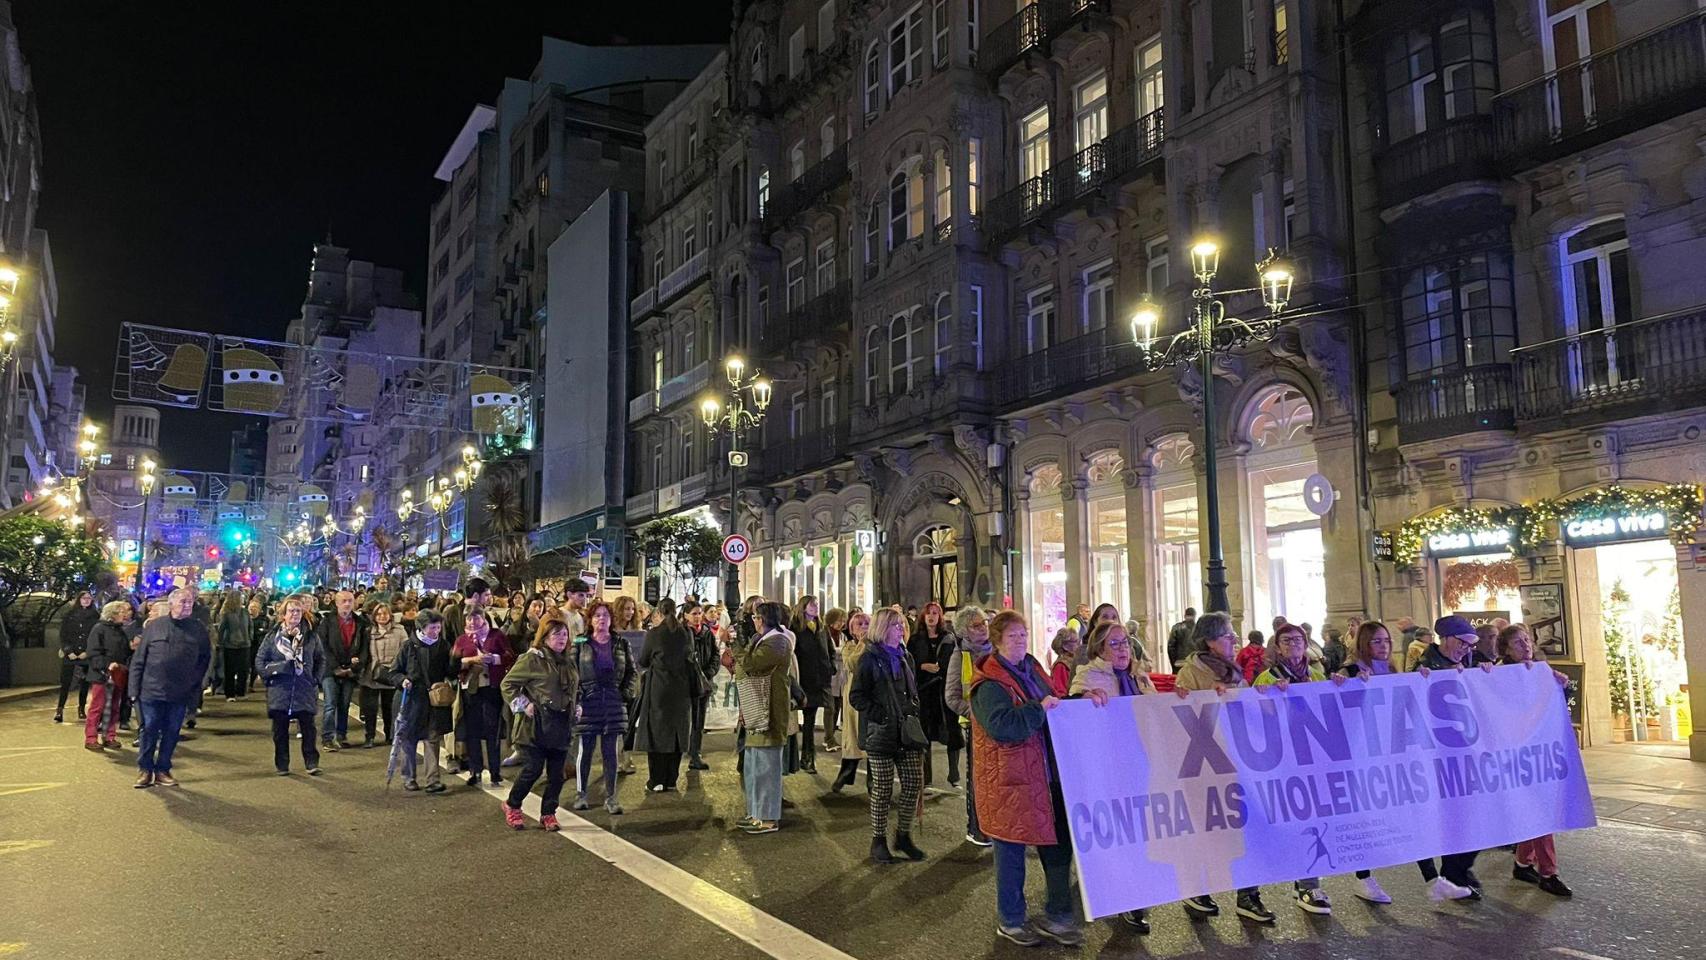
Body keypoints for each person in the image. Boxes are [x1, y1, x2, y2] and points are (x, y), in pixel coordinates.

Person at [969, 609, 1082, 947]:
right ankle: (1011, 919)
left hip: (1047, 773)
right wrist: (1039, 709)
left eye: (1024, 634)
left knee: (1058, 847)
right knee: (1011, 854)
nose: (1020, 640)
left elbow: (1054, 702)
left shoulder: (1032, 667)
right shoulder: (989, 683)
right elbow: (1002, 726)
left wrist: (1079, 701)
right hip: (1009, 779)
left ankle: (1059, 915)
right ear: (998, 640)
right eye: (1013, 636)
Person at [1173, 612, 1277, 923]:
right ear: (1209, 641)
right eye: (1226, 635)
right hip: (1208, 764)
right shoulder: (1191, 673)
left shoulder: (1234, 671)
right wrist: (1206, 698)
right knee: (1210, 827)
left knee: (1245, 829)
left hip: (1237, 761)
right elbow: (1184, 715)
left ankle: (1248, 894)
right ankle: (1198, 888)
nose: (1234, 639)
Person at [1070, 618, 1156, 931]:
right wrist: (1083, 700)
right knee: (1117, 834)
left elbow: (1156, 712)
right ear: (1100, 649)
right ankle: (1120, 897)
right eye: (1115, 644)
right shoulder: (1089, 676)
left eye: (1126, 642)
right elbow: (1075, 713)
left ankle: (1134, 898)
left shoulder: (1139, 676)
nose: (1123, 649)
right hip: (1110, 770)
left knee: (1139, 834)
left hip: (1140, 766)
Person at [1252, 622, 1338, 915]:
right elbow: (1255, 720)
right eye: (1286, 640)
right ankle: (1252, 891)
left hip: (1311, 760)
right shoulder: (1267, 677)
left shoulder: (1316, 676)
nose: (1294, 644)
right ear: (1277, 648)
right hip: (1282, 761)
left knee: (1309, 821)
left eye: (1298, 639)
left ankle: (1308, 885)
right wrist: (1265, 697)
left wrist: (1339, 687)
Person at [1413, 615, 1495, 898]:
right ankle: (1453, 873)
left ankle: (1457, 869)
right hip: (1443, 756)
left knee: (1480, 814)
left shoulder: (1473, 661)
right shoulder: (1424, 667)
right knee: (1456, 817)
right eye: (1463, 643)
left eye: (1472, 644)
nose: (1468, 649)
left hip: (1471, 752)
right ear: (1446, 639)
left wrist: (1485, 672)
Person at [1496, 622, 1574, 897]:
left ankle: (1522, 862)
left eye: (1527, 640)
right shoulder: (1501, 674)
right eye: (1518, 642)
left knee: (1536, 809)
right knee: (1541, 812)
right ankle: (1548, 872)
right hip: (1517, 754)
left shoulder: (1539, 670)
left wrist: (1562, 685)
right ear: (1506, 649)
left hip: (1539, 751)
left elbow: (1555, 706)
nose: (1526, 645)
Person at [851, 607, 928, 864]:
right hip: (881, 733)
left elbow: (911, 689)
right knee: (882, 789)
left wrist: (914, 713)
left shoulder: (905, 656)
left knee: (912, 784)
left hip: (906, 732)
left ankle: (903, 835)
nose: (901, 629)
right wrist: (880, 715)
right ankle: (878, 840)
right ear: (884, 628)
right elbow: (857, 696)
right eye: (896, 625)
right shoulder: (870, 658)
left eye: (902, 625)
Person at [500, 616, 579, 831]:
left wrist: (576, 706)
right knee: (532, 769)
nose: (562, 639)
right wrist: (523, 703)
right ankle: (512, 804)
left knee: (557, 774)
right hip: (535, 726)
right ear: (544, 637)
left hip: (561, 724)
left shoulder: (567, 661)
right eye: (556, 635)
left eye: (564, 634)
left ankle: (548, 813)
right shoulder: (532, 659)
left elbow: (573, 688)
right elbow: (508, 684)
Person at [129, 588, 212, 788]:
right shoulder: (155, 627)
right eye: (183, 602)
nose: (187, 605)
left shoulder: (198, 629)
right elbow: (139, 659)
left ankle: (163, 769)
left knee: (172, 731)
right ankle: (145, 768)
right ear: (172, 604)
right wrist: (133, 689)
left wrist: (197, 683)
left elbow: (204, 658)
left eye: (190, 602)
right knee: (148, 729)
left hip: (180, 691)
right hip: (151, 689)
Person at [738, 601, 793, 834]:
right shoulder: (762, 640)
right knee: (753, 765)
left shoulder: (778, 641)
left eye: (755, 617)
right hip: (757, 704)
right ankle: (755, 813)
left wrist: (735, 643)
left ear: (763, 619)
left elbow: (749, 664)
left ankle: (768, 818)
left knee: (766, 767)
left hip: (769, 708)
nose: (754, 622)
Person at [574, 600, 634, 814]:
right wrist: (578, 697)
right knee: (585, 750)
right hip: (588, 702)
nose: (601, 619)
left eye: (605, 616)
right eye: (597, 615)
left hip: (613, 701)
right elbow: (572, 673)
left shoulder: (621, 642)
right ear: (590, 620)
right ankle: (581, 794)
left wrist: (625, 694)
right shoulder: (580, 642)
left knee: (611, 753)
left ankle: (611, 797)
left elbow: (631, 673)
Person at [254, 598, 322, 777]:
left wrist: (315, 679)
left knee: (308, 728)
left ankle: (311, 762)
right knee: (280, 731)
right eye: (291, 611)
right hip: (280, 689)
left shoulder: (311, 636)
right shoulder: (271, 637)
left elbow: (320, 658)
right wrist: (271, 676)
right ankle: (282, 764)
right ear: (283, 614)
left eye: (298, 611)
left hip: (304, 688)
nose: (294, 614)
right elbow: (260, 661)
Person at [389, 609, 454, 793]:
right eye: (432, 628)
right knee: (408, 740)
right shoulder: (408, 646)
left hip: (433, 700)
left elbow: (450, 671)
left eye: (438, 627)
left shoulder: (443, 646)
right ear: (422, 628)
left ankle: (433, 780)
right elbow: (394, 671)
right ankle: (409, 777)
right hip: (411, 700)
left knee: (432, 738)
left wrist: (456, 662)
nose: (436, 631)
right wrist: (402, 680)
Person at [945, 605, 993, 846]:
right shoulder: (960, 656)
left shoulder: (997, 651)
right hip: (975, 725)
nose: (983, 627)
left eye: (984, 622)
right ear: (964, 630)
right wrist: (973, 713)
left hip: (996, 723)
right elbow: (951, 696)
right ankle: (976, 827)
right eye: (976, 625)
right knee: (977, 777)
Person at [636, 598, 695, 792]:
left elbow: (643, 660)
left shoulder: (654, 634)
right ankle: (671, 779)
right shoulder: (685, 633)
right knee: (677, 734)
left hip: (659, 689)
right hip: (682, 690)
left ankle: (656, 779)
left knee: (657, 733)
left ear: (659, 613)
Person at [452, 608, 512, 787]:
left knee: (492, 729)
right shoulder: (462, 639)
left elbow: (510, 656)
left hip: (491, 688)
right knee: (473, 731)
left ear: (484, 619)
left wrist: (494, 659)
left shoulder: (497, 635)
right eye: (469, 619)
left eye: (476, 618)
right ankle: (474, 770)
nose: (472, 622)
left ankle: (495, 771)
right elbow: (453, 662)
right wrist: (469, 661)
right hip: (470, 690)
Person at [314, 589, 369, 751]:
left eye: (350, 601)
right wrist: (335, 667)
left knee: (344, 704)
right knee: (330, 704)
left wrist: (354, 666)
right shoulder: (327, 622)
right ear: (336, 603)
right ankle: (327, 738)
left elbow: (364, 648)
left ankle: (342, 735)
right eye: (343, 601)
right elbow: (323, 647)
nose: (347, 604)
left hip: (350, 671)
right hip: (330, 670)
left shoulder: (360, 623)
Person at [909, 601, 956, 786]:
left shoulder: (948, 637)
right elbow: (910, 662)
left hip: (944, 690)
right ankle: (926, 778)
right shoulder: (915, 639)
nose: (931, 616)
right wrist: (923, 666)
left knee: (952, 732)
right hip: (924, 691)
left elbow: (953, 663)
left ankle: (954, 775)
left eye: (935, 613)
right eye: (928, 613)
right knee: (925, 735)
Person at [84, 601, 134, 750]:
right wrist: (107, 665)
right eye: (122, 612)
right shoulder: (99, 629)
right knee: (97, 707)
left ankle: (109, 735)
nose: (125, 615)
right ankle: (91, 738)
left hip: (117, 673)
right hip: (102, 674)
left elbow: (123, 651)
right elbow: (93, 652)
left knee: (114, 707)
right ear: (113, 614)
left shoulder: (119, 630)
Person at [830, 610, 870, 794]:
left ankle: (873, 780)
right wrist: (862, 643)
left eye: (866, 624)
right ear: (852, 629)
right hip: (853, 696)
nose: (863, 628)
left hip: (870, 695)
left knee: (870, 737)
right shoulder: (849, 646)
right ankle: (846, 773)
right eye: (859, 624)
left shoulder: (875, 645)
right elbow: (852, 664)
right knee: (852, 736)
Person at [791, 595, 831, 775]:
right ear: (803, 607)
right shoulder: (796, 628)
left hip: (818, 680)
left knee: (810, 720)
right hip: (802, 680)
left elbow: (828, 650)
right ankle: (797, 757)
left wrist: (830, 669)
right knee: (795, 721)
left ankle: (808, 757)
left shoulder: (821, 628)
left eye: (817, 604)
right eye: (812, 604)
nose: (816, 607)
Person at [360, 603, 407, 747]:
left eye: (385, 613)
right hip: (371, 674)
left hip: (391, 674)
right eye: (379, 614)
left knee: (389, 708)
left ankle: (390, 735)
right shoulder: (368, 631)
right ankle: (370, 737)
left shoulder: (399, 630)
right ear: (374, 616)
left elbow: (405, 650)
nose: (382, 616)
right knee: (370, 709)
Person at [684, 601, 720, 770]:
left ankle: (695, 753)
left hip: (704, 683)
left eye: (699, 613)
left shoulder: (707, 633)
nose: (697, 617)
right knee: (686, 720)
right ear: (686, 615)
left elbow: (715, 655)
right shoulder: (682, 633)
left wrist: (709, 672)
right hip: (686, 683)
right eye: (694, 613)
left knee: (699, 721)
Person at [55, 591, 99, 723]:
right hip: (71, 653)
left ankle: (81, 708)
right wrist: (68, 651)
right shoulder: (70, 616)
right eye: (84, 598)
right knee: (65, 682)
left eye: (89, 598)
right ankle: (60, 709)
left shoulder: (95, 616)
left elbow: (95, 636)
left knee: (84, 683)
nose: (86, 600)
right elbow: (64, 635)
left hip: (86, 654)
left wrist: (88, 651)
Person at [213, 592, 252, 702]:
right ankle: (229, 694)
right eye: (241, 597)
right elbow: (222, 629)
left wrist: (250, 638)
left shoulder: (245, 612)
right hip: (230, 645)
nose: (243, 599)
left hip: (245, 645)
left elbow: (250, 625)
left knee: (243, 670)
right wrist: (220, 643)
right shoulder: (226, 613)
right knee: (230, 671)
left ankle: (241, 692)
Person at [822, 607, 850, 753]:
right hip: (830, 675)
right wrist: (842, 651)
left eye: (843, 621)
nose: (841, 623)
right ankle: (829, 738)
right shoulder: (825, 633)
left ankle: (831, 736)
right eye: (839, 620)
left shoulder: (842, 635)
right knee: (830, 708)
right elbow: (834, 651)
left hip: (840, 676)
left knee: (837, 707)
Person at [245, 596, 270, 694]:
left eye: (255, 608)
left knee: (255, 665)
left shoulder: (264, 619)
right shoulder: (245, 619)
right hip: (247, 645)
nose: (252, 610)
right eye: (251, 608)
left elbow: (268, 631)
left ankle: (251, 684)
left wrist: (263, 631)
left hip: (258, 645)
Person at [1045, 628, 1079, 697]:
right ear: (1065, 646)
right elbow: (1060, 693)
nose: (1078, 644)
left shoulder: (1075, 661)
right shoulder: (1060, 666)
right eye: (1075, 641)